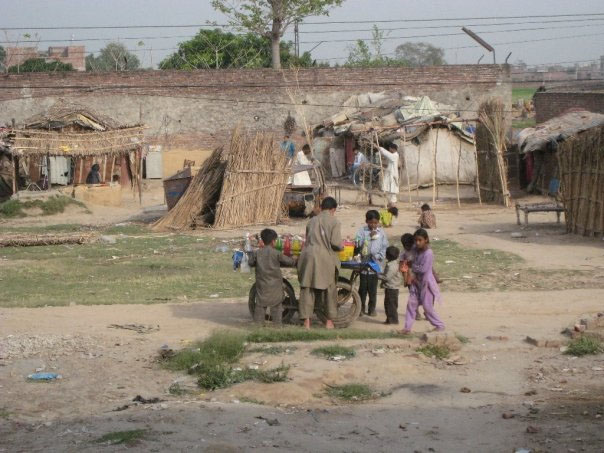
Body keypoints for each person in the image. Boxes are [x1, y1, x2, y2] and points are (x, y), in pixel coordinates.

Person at [297, 196, 342, 329]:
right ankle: (329, 321)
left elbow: (307, 239)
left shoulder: (311, 221)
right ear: (333, 209)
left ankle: (306, 322)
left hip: (308, 255)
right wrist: (342, 247)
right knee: (329, 289)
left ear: (322, 208)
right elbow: (335, 243)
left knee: (307, 288)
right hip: (324, 257)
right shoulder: (334, 222)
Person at [400, 229, 445, 334]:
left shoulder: (428, 253)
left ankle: (439, 325)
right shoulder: (415, 249)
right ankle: (407, 328)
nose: (417, 243)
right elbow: (406, 254)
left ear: (426, 240)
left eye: (420, 240)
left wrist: (412, 266)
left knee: (427, 308)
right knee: (411, 305)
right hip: (416, 282)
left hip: (426, 284)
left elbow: (424, 269)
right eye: (416, 240)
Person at [248, 228, 296, 325]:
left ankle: (258, 326)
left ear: (263, 241)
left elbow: (250, 262)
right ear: (273, 241)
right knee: (277, 306)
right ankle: (277, 326)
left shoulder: (257, 253)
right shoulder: (277, 253)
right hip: (275, 286)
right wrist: (294, 258)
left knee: (260, 306)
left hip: (262, 286)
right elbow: (290, 262)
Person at [355, 210, 389, 317]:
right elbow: (358, 244)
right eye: (371, 223)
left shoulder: (382, 233)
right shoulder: (362, 231)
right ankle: (360, 309)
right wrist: (368, 237)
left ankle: (372, 309)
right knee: (363, 288)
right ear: (366, 221)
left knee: (373, 290)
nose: (373, 225)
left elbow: (384, 247)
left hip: (375, 265)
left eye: (375, 223)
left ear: (378, 222)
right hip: (364, 264)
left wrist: (379, 256)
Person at [400, 233, 424, 321]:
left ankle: (427, 310)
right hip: (410, 277)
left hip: (419, 276)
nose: (408, 247)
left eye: (410, 245)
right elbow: (402, 264)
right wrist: (405, 279)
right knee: (413, 295)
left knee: (423, 295)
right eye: (406, 245)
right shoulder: (403, 252)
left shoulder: (417, 250)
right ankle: (416, 312)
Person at [380, 245, 402, 325]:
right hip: (391, 287)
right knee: (389, 305)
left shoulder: (392, 266)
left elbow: (387, 277)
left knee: (391, 305)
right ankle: (390, 319)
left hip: (392, 288)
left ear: (388, 256)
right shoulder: (392, 264)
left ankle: (393, 321)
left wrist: (378, 276)